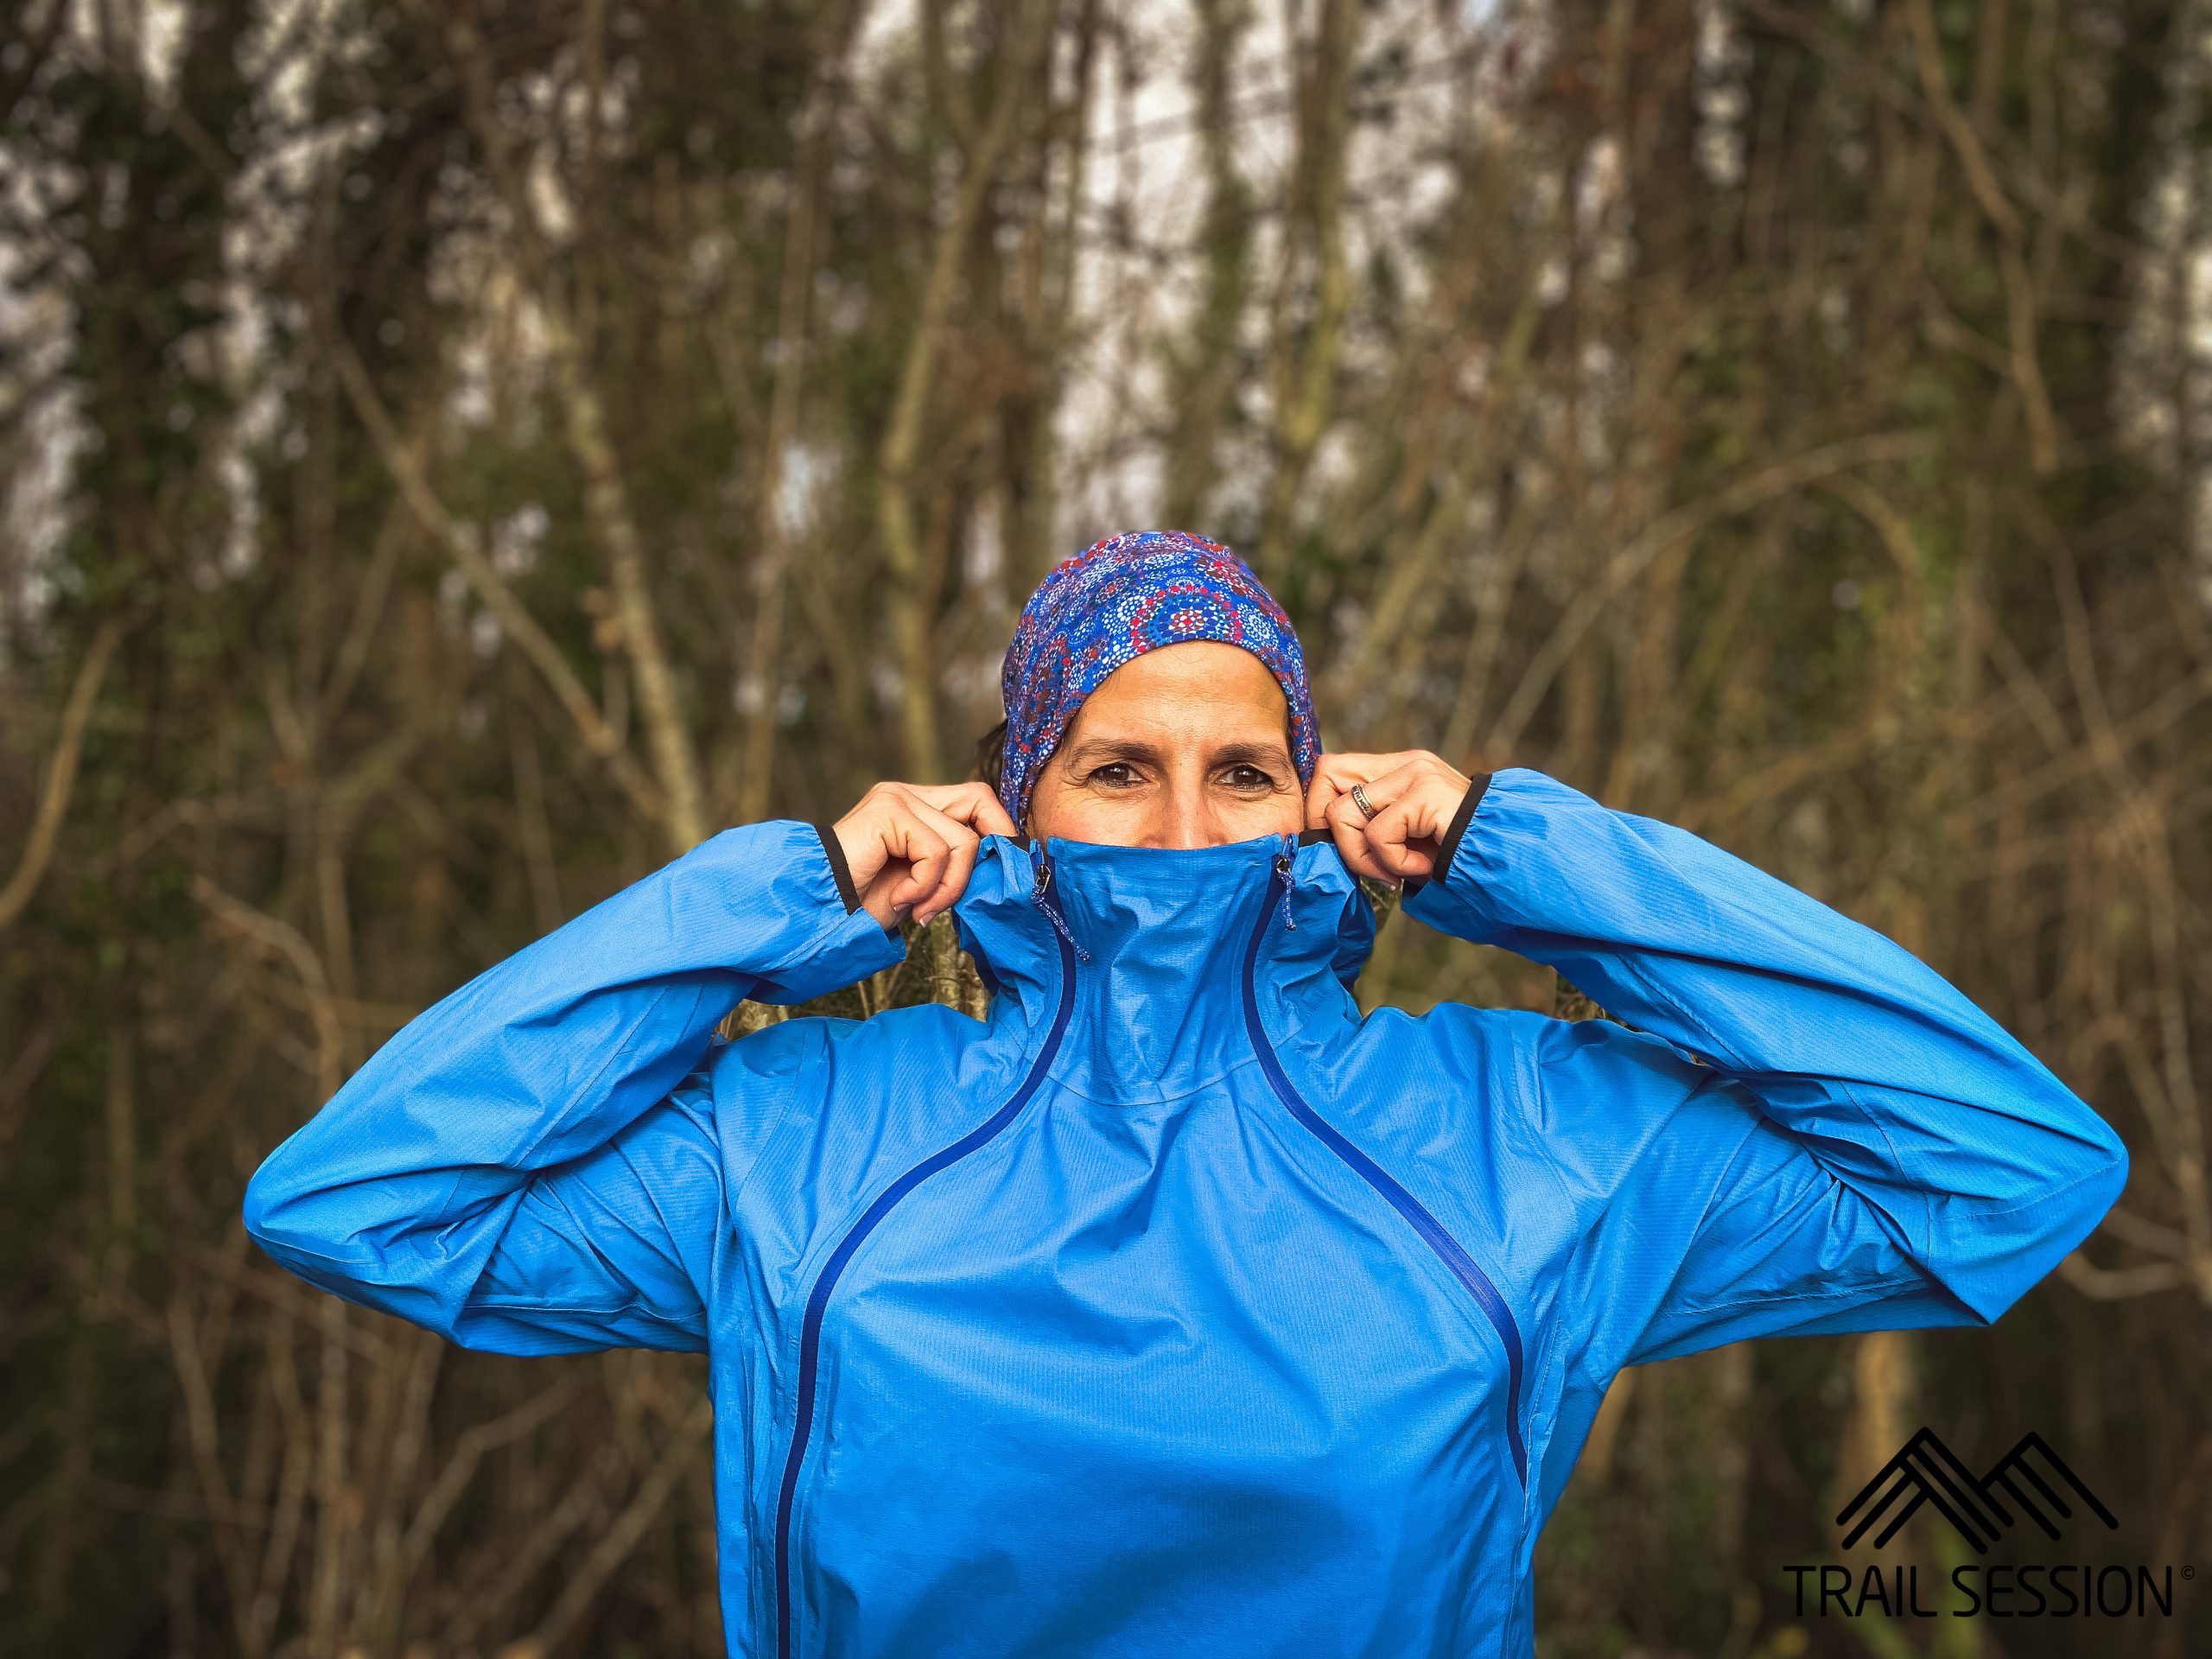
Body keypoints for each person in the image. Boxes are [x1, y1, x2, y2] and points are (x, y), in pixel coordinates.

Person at [244, 530, 2128, 1659]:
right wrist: (776, 903)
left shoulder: (1528, 1139)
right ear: (1011, 799)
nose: (1179, 825)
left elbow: (2001, 1168)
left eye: (1240, 771)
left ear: (1319, 796)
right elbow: (359, 1203)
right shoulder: (800, 1139)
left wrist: (1520, 857)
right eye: (1113, 767)